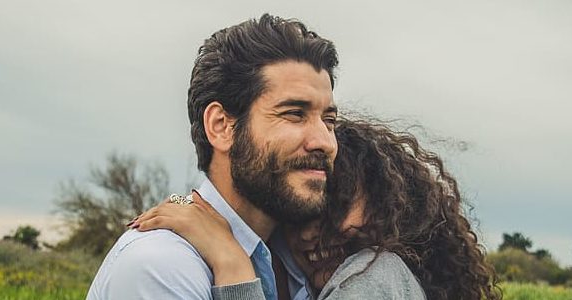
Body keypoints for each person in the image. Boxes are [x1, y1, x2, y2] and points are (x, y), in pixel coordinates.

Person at [87, 13, 339, 300]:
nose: (325, 142)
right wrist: (230, 261)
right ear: (220, 126)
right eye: (294, 114)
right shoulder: (162, 267)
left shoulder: (296, 257)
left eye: (329, 121)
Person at [134, 117, 502, 299]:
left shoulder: (373, 280)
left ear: (386, 207)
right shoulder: (289, 267)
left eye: (334, 207)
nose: (311, 232)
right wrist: (185, 205)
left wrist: (231, 264)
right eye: (303, 214)